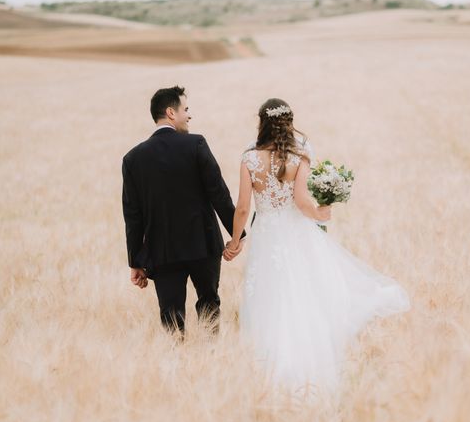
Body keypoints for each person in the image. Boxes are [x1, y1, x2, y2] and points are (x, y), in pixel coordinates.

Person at [223, 98, 410, 391]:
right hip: (295, 231)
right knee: (302, 287)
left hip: (267, 234)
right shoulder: (299, 156)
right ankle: (308, 343)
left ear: (262, 123)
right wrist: (320, 214)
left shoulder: (249, 158)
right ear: (288, 123)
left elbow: (244, 208)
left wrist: (235, 242)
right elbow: (301, 202)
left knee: (269, 290)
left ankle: (267, 354)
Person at [122, 86, 244, 334]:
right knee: (209, 303)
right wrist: (237, 234)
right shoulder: (196, 144)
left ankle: (176, 364)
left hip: (162, 249)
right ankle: (212, 359)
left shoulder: (133, 158)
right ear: (170, 112)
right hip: (203, 244)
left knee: (171, 313)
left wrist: (136, 261)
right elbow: (218, 193)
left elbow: (132, 215)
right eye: (185, 109)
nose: (189, 115)